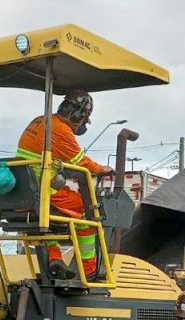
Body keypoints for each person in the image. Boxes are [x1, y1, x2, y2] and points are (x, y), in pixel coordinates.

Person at [16, 90, 113, 280]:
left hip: (24, 192)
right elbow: (81, 163)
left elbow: (51, 159)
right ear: (78, 114)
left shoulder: (40, 121)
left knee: (45, 221)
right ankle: (89, 270)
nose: (82, 125)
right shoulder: (60, 130)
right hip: (45, 192)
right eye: (84, 120)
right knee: (88, 212)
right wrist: (102, 169)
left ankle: (55, 257)